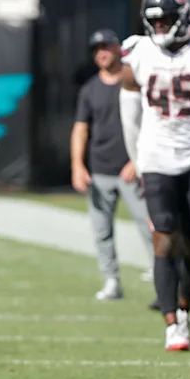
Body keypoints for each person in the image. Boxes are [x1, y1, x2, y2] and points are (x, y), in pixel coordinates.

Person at [119, 0, 190, 351]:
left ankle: (184, 305)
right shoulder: (138, 52)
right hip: (157, 157)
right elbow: (128, 111)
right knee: (164, 237)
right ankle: (171, 324)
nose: (159, 30)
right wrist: (137, 158)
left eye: (165, 23)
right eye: (155, 23)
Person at [71, 29, 153, 301]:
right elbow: (80, 130)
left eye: (105, 47)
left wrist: (137, 160)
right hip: (100, 169)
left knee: (149, 224)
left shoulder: (133, 81)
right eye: (96, 50)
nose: (101, 53)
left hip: (132, 169)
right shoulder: (89, 89)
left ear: (118, 49)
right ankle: (111, 280)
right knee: (101, 230)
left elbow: (150, 124)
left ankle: (162, 273)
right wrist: (77, 166)